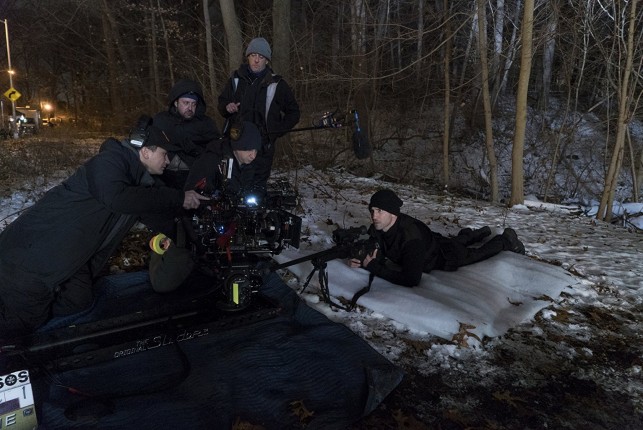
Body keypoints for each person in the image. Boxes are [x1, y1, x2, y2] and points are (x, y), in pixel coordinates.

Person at [0, 116, 210, 338]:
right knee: (16, 331)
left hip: (71, 260)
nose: (167, 161)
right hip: (27, 262)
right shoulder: (109, 161)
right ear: (145, 152)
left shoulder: (139, 185)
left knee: (78, 303)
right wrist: (178, 198)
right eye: (164, 154)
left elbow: (159, 215)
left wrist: (197, 241)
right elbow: (117, 197)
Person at [349, 189, 526, 287]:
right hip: (433, 241)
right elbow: (377, 246)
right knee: (452, 242)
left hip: (442, 256)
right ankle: (475, 234)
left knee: (473, 255)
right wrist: (361, 257)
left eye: (380, 211)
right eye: (372, 210)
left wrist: (374, 267)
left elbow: (411, 280)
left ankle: (505, 240)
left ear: (393, 213)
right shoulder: (379, 226)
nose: (374, 216)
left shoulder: (410, 239)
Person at [217, 37, 300, 195]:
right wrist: (227, 107)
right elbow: (222, 104)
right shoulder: (235, 80)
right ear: (248, 57)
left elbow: (294, 112)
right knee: (230, 190)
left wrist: (276, 131)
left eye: (261, 57)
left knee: (256, 193)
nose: (256, 60)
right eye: (253, 55)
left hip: (262, 149)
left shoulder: (277, 84)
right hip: (235, 146)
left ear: (267, 61)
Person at [154, 78, 222, 189]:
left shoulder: (205, 123)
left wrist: (194, 151)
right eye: (186, 103)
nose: (190, 108)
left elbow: (216, 148)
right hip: (167, 175)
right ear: (176, 102)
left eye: (193, 104)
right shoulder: (162, 121)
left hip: (198, 174)